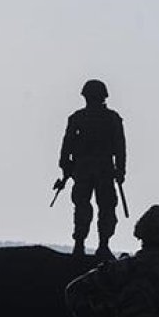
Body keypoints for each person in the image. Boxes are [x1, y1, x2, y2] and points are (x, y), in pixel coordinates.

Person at [58, 79, 126, 258]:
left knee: (101, 207)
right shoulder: (86, 118)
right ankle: (85, 244)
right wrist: (66, 167)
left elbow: (120, 147)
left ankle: (95, 244)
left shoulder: (98, 118)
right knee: (90, 207)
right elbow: (67, 145)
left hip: (96, 169)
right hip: (90, 169)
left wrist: (120, 170)